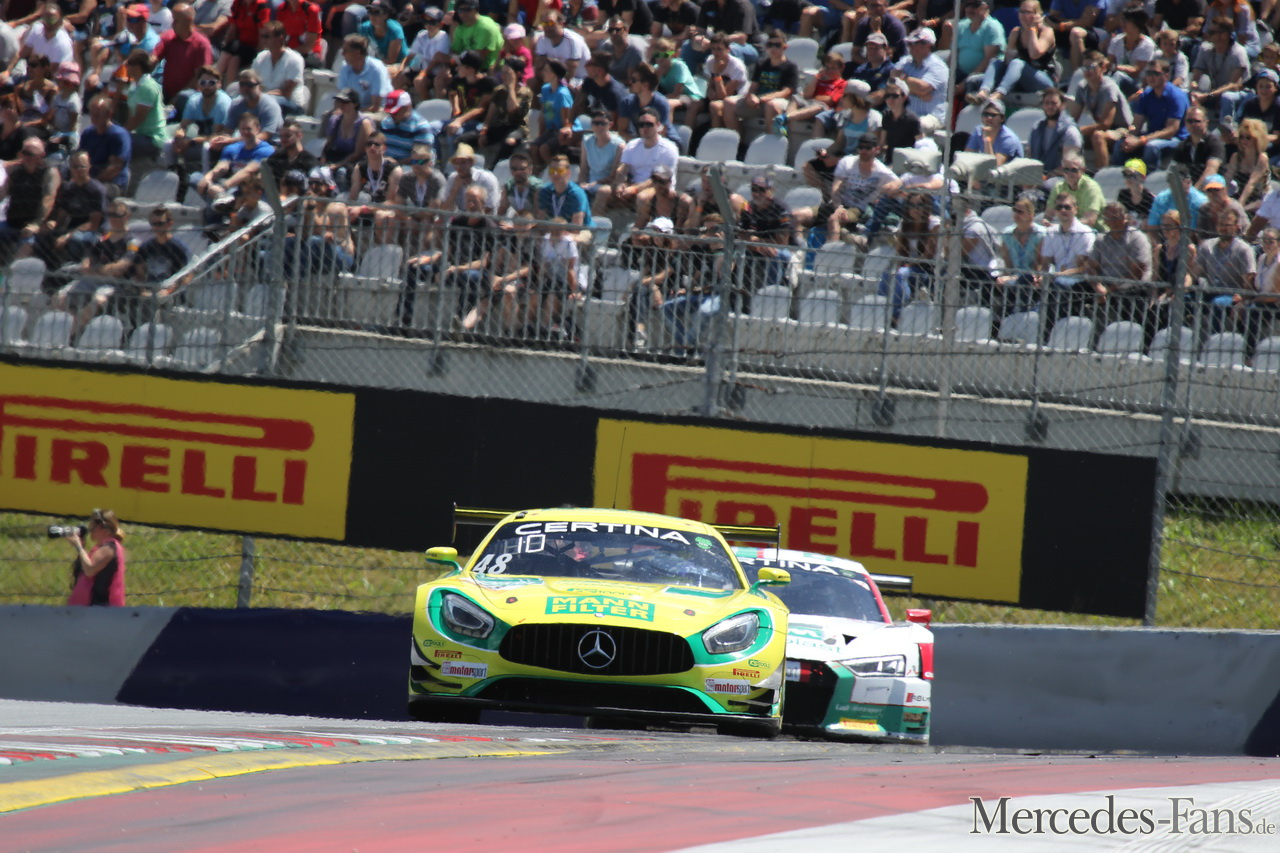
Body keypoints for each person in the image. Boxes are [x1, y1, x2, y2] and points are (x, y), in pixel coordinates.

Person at [596, 106, 678, 212]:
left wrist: (634, 189)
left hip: (658, 188)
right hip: (632, 186)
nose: (644, 128)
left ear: (658, 125)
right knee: (603, 191)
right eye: (641, 125)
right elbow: (623, 168)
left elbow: (659, 180)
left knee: (642, 197)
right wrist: (620, 183)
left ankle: (640, 223)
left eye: (649, 124)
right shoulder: (632, 145)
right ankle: (596, 221)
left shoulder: (669, 149)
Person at [717, 30, 799, 137]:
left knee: (771, 105)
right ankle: (737, 141)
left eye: (777, 45)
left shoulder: (791, 67)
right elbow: (753, 86)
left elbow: (786, 92)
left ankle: (770, 142)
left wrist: (764, 98)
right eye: (770, 45)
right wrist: (750, 96)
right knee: (728, 103)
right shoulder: (761, 64)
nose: (773, 48)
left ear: (785, 47)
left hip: (779, 102)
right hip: (758, 102)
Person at [972, 0, 1055, 105]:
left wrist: (1032, 29)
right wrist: (1009, 51)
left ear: (1037, 15)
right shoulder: (1016, 32)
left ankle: (999, 94)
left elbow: (1034, 54)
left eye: (1028, 12)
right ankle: (983, 92)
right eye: (1021, 12)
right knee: (993, 63)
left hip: (1042, 79)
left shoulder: (1046, 32)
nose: (1023, 16)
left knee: (1017, 62)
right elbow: (1008, 62)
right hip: (1019, 78)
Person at [1110, 60, 1188, 170]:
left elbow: (1171, 130)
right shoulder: (1146, 95)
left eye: (1155, 73)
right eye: (1148, 73)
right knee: (1120, 145)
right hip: (1152, 136)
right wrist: (1130, 138)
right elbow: (1136, 124)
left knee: (1151, 147)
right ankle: (1119, 176)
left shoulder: (1176, 96)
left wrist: (1141, 140)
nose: (1151, 77)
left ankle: (1150, 178)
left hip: (1176, 139)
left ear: (1166, 75)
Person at [1087, 201, 1153, 328]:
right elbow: (1092, 267)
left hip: (1132, 288)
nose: (1111, 222)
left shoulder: (1137, 238)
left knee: (1127, 295)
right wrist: (1098, 287)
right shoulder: (1101, 239)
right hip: (1105, 285)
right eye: (1107, 218)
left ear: (1125, 217)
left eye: (1115, 217)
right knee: (1079, 289)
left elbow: (1136, 273)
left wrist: (1108, 290)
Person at [1037, 191, 1096, 325]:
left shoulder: (1085, 233)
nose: (1063, 210)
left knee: (1059, 284)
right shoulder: (1051, 232)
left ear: (1076, 209)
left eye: (1067, 207)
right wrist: (1040, 276)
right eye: (1059, 207)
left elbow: (1083, 267)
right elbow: (1045, 262)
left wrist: (1061, 274)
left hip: (1079, 280)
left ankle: (1050, 327)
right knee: (1029, 282)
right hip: (1056, 278)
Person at [1068, 50, 1133, 169]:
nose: (1087, 71)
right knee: (1066, 135)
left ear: (1102, 67)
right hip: (1100, 129)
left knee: (1098, 136)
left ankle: (1101, 174)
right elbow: (1073, 118)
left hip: (1122, 130)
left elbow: (1105, 124)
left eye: (1091, 67)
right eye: (1084, 67)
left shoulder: (1109, 88)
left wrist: (1079, 130)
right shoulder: (1082, 87)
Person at [0, 136, 59, 264]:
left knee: (24, 250)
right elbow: (2, 193)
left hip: (35, 224)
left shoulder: (49, 172)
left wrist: (37, 224)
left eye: (30, 154)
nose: (26, 157)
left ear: (41, 156)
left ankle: (13, 274)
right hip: (12, 222)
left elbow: (48, 198)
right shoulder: (15, 171)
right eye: (24, 153)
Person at [154, 3, 214, 110]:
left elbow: (200, 77)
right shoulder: (169, 37)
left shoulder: (201, 44)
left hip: (190, 99)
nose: (172, 24)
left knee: (184, 97)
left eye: (176, 21)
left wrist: (177, 98)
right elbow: (153, 58)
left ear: (188, 21)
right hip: (167, 93)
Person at [65, 509, 127, 607]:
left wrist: (78, 546)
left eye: (93, 527)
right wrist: (82, 547)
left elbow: (89, 570)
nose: (90, 530)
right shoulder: (103, 547)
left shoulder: (109, 548)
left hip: (101, 607)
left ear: (104, 529)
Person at [478, 57, 533, 163]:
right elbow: (489, 117)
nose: (503, 76)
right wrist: (483, 132)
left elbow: (513, 111)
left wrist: (511, 88)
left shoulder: (525, 92)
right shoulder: (499, 90)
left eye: (507, 73)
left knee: (509, 142)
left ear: (517, 74)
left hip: (517, 127)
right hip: (500, 126)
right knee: (469, 138)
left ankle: (495, 167)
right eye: (502, 72)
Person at [891, 25, 949, 124]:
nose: (912, 46)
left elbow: (922, 89)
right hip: (906, 114)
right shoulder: (905, 61)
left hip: (931, 116)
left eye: (916, 43)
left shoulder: (937, 66)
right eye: (910, 43)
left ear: (929, 45)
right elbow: (892, 81)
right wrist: (919, 94)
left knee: (918, 124)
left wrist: (903, 78)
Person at [77, 96, 131, 197]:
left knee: (94, 193)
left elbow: (115, 168)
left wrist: (91, 184)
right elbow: (80, 159)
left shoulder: (119, 135)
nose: (94, 118)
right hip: (89, 179)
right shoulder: (88, 133)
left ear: (109, 114)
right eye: (92, 114)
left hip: (112, 184)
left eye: (98, 115)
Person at [252, 20, 307, 118]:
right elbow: (253, 82)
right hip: (264, 99)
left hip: (290, 103)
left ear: (280, 38)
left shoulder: (295, 59)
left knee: (267, 102)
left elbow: (286, 92)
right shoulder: (260, 57)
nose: (263, 39)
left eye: (267, 36)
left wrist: (262, 97)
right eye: (262, 36)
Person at [1026, 88, 1081, 180]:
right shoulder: (1037, 128)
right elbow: (1029, 155)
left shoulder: (1070, 131)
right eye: (1046, 103)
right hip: (1038, 177)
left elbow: (1070, 164)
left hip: (1062, 179)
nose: (1050, 106)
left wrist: (1046, 177)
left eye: (1054, 103)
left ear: (1063, 105)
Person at [1044, 152, 1104, 228]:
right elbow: (1048, 215)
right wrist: (1046, 222)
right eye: (1066, 169)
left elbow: (1090, 221)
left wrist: (1062, 226)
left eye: (1074, 170)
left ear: (1083, 170)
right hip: (1065, 231)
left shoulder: (1091, 188)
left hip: (1092, 232)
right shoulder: (1058, 187)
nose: (1069, 173)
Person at [1222, 117, 1271, 210]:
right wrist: (1221, 199)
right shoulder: (1236, 157)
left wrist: (1239, 207)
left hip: (1259, 199)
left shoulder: (1262, 158)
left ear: (1257, 138)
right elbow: (1227, 179)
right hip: (1239, 195)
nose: (1244, 140)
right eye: (1241, 137)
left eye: (1248, 137)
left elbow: (1251, 184)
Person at [337, 34, 392, 110]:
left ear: (357, 53)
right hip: (353, 111)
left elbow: (375, 107)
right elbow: (341, 100)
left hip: (379, 111)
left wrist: (353, 113)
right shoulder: (344, 68)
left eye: (345, 51)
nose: (342, 54)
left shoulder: (376, 69)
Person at [1117, 158, 1154, 226]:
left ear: (1142, 177)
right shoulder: (1123, 195)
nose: (1127, 178)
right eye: (1125, 175)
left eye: (1131, 175)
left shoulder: (1149, 198)